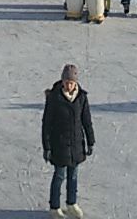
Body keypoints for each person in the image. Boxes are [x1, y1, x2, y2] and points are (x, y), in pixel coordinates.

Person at [42, 64, 95, 219]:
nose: (68, 85)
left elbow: (87, 121)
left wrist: (91, 141)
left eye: (71, 82)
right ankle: (54, 207)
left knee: (73, 176)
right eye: (66, 81)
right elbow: (46, 124)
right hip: (59, 144)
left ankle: (71, 203)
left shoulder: (82, 98)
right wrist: (47, 147)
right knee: (59, 176)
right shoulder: (54, 98)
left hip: (76, 144)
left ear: (75, 82)